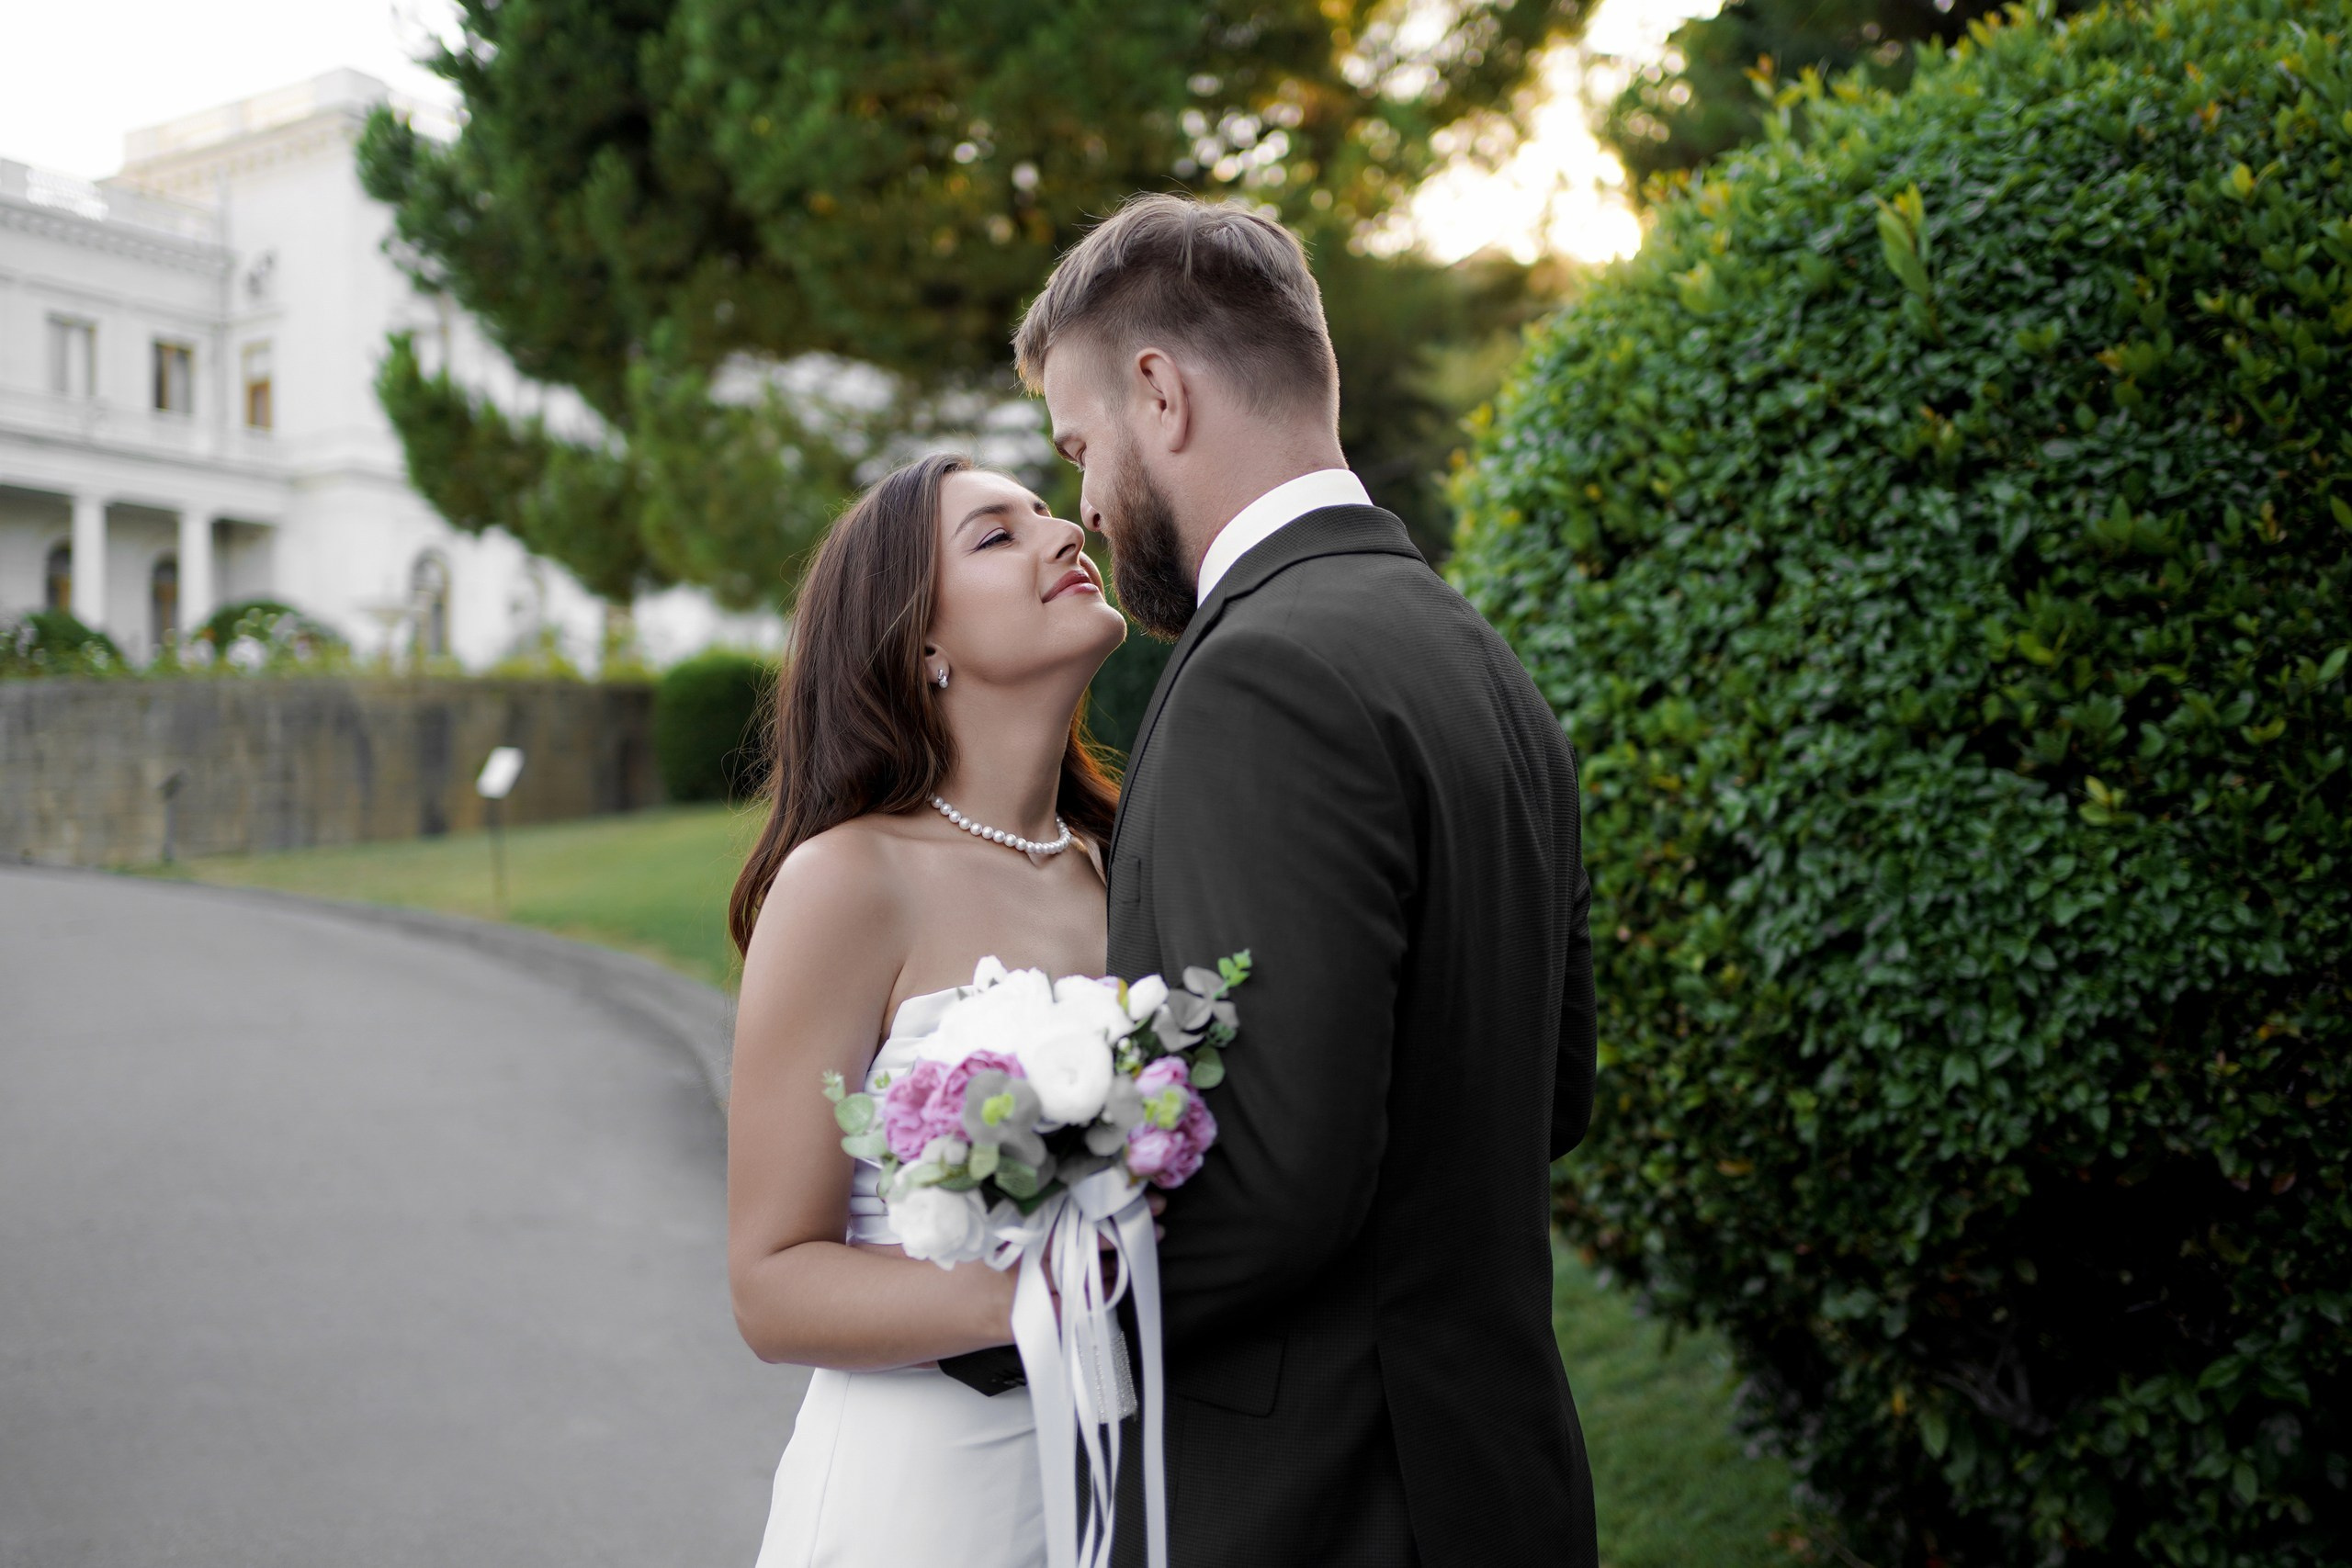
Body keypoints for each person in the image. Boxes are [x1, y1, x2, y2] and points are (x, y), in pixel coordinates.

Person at [1001, 191, 1600, 1567]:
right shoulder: (1478, 656)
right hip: (1498, 1470)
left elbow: (1277, 1182)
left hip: (1326, 1499)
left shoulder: (1259, 673)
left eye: (1079, 446)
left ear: (1160, 391)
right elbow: (1551, 1088)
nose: (1086, 506)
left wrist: (1022, 1313)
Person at [725, 452, 1138, 1567]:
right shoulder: (847, 884)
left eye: (1051, 512)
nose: (1064, 535)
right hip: (919, 1505)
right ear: (922, 649)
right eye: (998, 536)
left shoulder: (1125, 864)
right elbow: (772, 1285)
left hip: (1117, 1485)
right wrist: (1048, 1287)